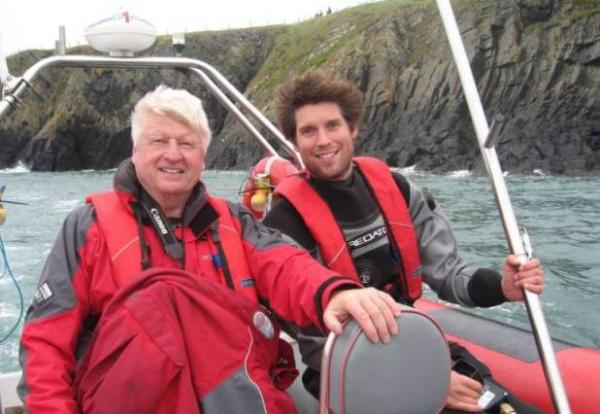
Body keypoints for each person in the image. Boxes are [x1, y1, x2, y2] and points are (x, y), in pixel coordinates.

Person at [17, 85, 402, 413]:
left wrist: (334, 293)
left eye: (187, 144)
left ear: (202, 157)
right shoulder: (88, 228)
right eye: (158, 142)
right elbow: (46, 346)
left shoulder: (233, 223)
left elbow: (286, 265)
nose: (173, 154)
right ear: (135, 150)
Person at [262, 70, 545, 413]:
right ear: (295, 141)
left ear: (353, 128)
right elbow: (314, 335)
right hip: (348, 371)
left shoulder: (396, 189)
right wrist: (421, 380)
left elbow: (448, 272)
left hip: (416, 348)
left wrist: (503, 286)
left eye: (332, 125)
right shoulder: (285, 223)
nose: (323, 140)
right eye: (308, 131)